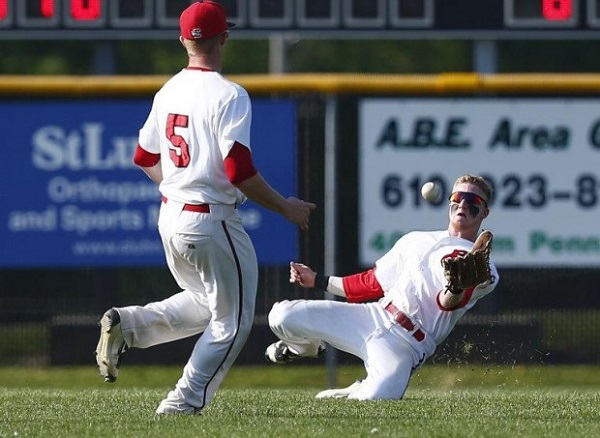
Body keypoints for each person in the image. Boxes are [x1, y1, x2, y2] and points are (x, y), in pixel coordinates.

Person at [95, 0, 316, 415]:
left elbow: (143, 158)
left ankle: (129, 324)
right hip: (210, 220)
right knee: (230, 323)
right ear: (224, 37)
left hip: (171, 216)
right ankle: (182, 402)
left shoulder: (169, 90)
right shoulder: (230, 94)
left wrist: (180, 186)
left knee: (203, 303)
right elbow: (238, 169)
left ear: (183, 41)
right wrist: (286, 207)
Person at [265, 174, 498, 400]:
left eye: (473, 201)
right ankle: (304, 348)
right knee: (281, 316)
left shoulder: (485, 270)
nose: (463, 204)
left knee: (377, 398)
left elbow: (447, 303)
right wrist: (317, 280)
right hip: (373, 316)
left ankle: (358, 390)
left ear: (485, 212)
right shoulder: (415, 240)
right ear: (450, 202)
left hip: (406, 345)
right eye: (458, 197)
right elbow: (372, 283)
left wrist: (456, 287)